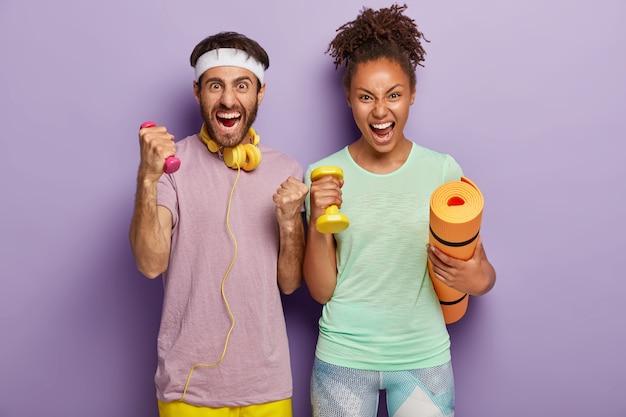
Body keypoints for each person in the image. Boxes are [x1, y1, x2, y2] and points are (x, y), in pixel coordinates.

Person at [303, 5, 496, 417]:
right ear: (349, 99)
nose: (380, 111)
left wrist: (475, 279)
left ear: (411, 94)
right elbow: (321, 291)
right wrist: (319, 223)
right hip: (343, 356)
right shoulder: (321, 175)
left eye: (393, 95)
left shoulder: (443, 171)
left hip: (422, 355)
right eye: (365, 97)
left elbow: (481, 274)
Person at [129, 31, 308, 417]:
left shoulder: (287, 171)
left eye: (242, 85)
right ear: (198, 92)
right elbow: (150, 263)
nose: (228, 100)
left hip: (267, 383)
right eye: (216, 86)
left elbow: (291, 283)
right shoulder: (170, 168)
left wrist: (291, 223)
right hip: (188, 388)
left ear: (260, 93)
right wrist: (147, 176)